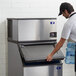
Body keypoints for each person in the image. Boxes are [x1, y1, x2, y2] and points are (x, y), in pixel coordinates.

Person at [46, 2, 76, 68]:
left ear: (65, 11)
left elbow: (61, 42)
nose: (63, 15)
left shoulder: (69, 23)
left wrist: (51, 55)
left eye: (62, 13)